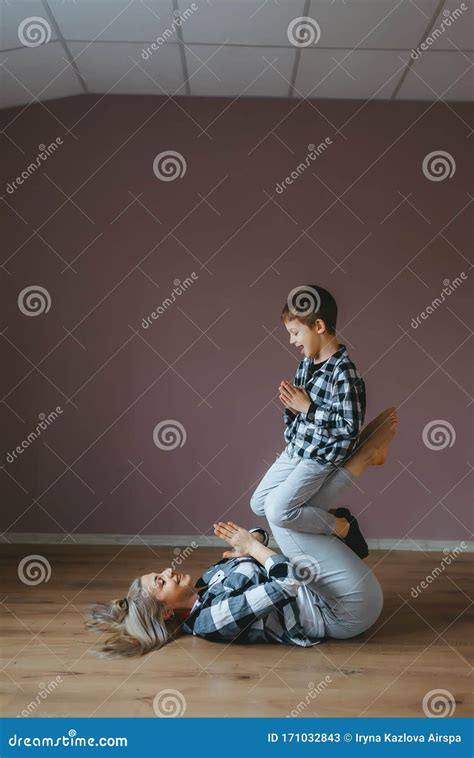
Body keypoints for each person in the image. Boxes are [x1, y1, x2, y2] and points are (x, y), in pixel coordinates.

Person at [85, 411, 397, 659]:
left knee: (265, 505)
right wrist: (253, 549)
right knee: (279, 513)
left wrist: (254, 543)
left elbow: (262, 549)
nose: (168, 571)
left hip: (321, 585)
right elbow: (288, 581)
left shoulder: (208, 582)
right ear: (166, 612)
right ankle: (347, 487)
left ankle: (337, 457)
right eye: (161, 582)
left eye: (160, 573)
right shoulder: (209, 620)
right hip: (343, 610)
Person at [251, 284, 371, 558]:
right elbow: (299, 414)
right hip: (297, 449)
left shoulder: (345, 373)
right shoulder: (305, 364)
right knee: (259, 503)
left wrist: (308, 408)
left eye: (295, 333)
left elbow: (350, 427)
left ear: (318, 325)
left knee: (279, 510)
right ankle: (324, 523)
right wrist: (292, 409)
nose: (292, 340)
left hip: (320, 456)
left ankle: (342, 526)